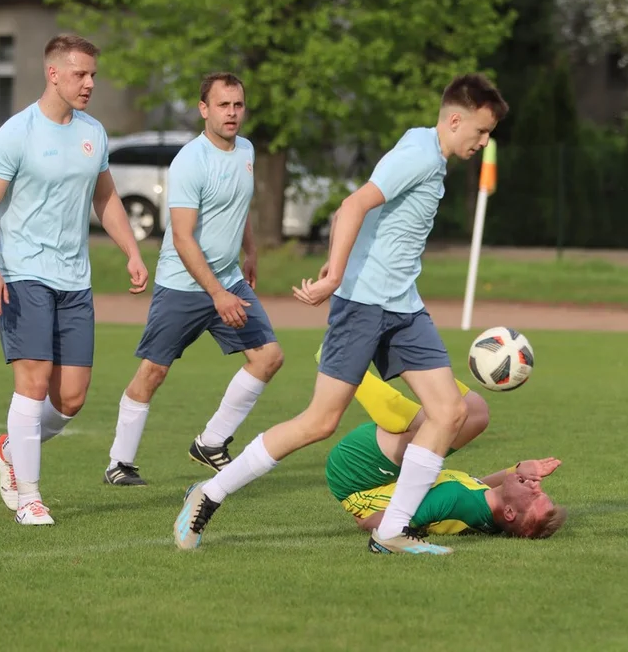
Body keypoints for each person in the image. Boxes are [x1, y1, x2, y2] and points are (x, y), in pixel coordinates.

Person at [174, 73, 509, 552]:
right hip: (364, 304)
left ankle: (393, 530)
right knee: (319, 422)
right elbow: (351, 207)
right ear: (456, 120)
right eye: (480, 131)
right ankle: (209, 493)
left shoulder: (430, 154)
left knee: (450, 411)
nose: (483, 141)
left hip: (403, 306)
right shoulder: (416, 154)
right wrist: (333, 278)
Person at [0, 33, 149, 526]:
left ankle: (10, 447)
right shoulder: (16, 133)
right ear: (53, 74)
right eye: (80, 74)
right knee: (30, 385)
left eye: (93, 74)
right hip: (22, 273)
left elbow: (105, 198)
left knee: (70, 398)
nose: (90, 82)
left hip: (75, 279)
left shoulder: (94, 132)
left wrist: (131, 250)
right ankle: (29, 496)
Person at [104, 72, 283, 486]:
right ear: (204, 109)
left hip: (228, 279)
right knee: (154, 371)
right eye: (223, 105)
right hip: (184, 285)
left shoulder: (247, 150)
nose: (232, 113)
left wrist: (250, 251)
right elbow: (182, 237)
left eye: (238, 105)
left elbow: (241, 205)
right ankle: (120, 463)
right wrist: (217, 293)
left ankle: (211, 443)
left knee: (268, 357)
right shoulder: (190, 160)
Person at [325, 361, 567, 550]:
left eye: (534, 496)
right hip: (382, 475)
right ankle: (420, 366)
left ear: (510, 513)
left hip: (355, 475)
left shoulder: (452, 499)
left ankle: (342, 365)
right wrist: (515, 469)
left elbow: (374, 523)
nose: (537, 485)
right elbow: (478, 486)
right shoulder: (484, 511)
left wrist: (366, 518)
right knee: (477, 415)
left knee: (432, 423)